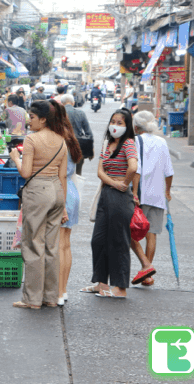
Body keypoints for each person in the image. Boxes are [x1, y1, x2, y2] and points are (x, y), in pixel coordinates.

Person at [9, 100, 68, 309]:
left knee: (34, 243)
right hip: (56, 192)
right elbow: (63, 176)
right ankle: (50, 297)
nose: (28, 120)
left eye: (32, 117)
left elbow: (25, 173)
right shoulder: (62, 141)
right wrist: (64, 206)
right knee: (51, 246)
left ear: (43, 119)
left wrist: (16, 157)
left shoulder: (32, 140)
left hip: (38, 191)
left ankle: (32, 299)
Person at [81, 108, 137, 299]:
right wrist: (113, 182)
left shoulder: (128, 143)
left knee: (119, 241)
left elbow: (133, 167)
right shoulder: (108, 143)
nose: (115, 125)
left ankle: (120, 288)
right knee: (98, 240)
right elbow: (99, 171)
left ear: (127, 126)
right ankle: (102, 283)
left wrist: (125, 183)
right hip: (106, 192)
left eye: (120, 123)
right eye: (113, 121)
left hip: (120, 198)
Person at [130, 111, 174, 287]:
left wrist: (132, 191)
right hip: (157, 195)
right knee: (151, 234)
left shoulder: (133, 141)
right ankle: (147, 275)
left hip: (138, 194)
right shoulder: (162, 142)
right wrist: (168, 191)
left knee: (129, 231)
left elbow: (133, 169)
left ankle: (145, 266)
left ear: (135, 127)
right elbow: (169, 172)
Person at [57, 116, 83, 306]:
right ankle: (63, 289)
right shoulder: (71, 142)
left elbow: (61, 177)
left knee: (59, 245)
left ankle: (58, 292)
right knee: (65, 244)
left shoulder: (61, 145)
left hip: (63, 193)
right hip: (72, 193)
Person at [62, 94, 93, 175]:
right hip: (79, 146)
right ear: (73, 103)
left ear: (62, 103)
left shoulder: (58, 114)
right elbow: (88, 133)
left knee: (63, 171)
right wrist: (91, 150)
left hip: (63, 145)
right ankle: (77, 186)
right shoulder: (81, 113)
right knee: (78, 172)